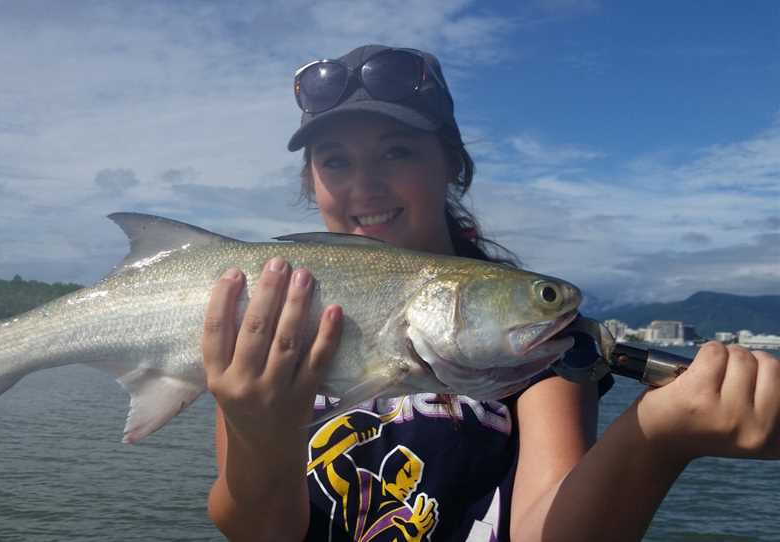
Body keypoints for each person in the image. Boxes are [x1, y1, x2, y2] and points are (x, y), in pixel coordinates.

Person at [204, 44, 780, 541]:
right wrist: (256, 431)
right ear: (311, 180)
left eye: (396, 151)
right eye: (335, 160)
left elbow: (543, 529)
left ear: (451, 162)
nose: (365, 184)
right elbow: (262, 532)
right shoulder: (269, 319)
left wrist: (656, 438)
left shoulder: (527, 337)